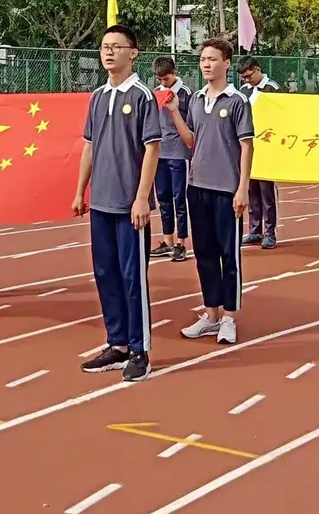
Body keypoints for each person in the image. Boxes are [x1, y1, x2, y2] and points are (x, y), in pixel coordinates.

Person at [73, 24, 160, 383]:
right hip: (101, 202)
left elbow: (153, 147)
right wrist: (81, 191)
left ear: (132, 52)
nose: (108, 52)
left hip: (129, 205)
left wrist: (142, 198)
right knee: (105, 273)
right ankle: (117, 342)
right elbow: (89, 146)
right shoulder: (97, 97)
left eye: (116, 46)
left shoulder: (142, 96)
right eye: (104, 47)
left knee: (131, 276)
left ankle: (140, 350)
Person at [168, 36, 254, 347]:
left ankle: (229, 316)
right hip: (197, 187)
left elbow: (247, 147)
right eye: (203, 59)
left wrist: (242, 188)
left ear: (227, 63)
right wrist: (175, 113)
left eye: (213, 59)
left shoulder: (236, 102)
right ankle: (211, 314)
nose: (206, 63)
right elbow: (191, 141)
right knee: (203, 254)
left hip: (226, 190)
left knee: (227, 255)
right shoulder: (195, 99)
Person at [151, 56, 192, 262]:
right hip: (160, 153)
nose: (162, 83)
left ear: (174, 73)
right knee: (163, 198)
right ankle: (167, 240)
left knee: (179, 199)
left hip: (179, 153)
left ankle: (181, 243)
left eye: (165, 79)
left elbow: (192, 124)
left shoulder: (186, 94)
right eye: (159, 79)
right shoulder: (155, 94)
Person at [238, 55, 279, 249]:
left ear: (257, 69)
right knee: (251, 189)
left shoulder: (273, 88)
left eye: (248, 76)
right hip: (249, 147)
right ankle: (255, 230)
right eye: (244, 78)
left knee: (266, 192)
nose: (247, 80)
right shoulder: (244, 91)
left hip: (267, 149)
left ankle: (270, 232)